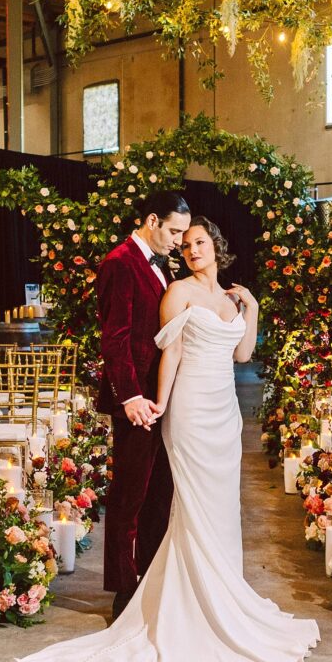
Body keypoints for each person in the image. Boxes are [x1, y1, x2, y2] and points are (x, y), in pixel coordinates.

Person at [12, 217, 319, 662]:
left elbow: (243, 355)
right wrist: (156, 404)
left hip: (226, 413)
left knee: (221, 508)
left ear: (216, 247)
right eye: (187, 243)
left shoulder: (230, 298)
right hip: (191, 409)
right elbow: (171, 354)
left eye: (200, 242)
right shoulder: (177, 292)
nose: (192, 249)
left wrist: (252, 308)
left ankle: (223, 596)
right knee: (190, 504)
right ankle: (188, 605)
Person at [95, 191, 192, 620]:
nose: (178, 242)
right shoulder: (119, 262)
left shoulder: (160, 264)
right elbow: (114, 337)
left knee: (159, 494)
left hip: (162, 398)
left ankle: (150, 580)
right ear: (152, 220)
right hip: (137, 402)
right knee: (128, 498)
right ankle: (122, 590)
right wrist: (131, 397)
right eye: (174, 231)